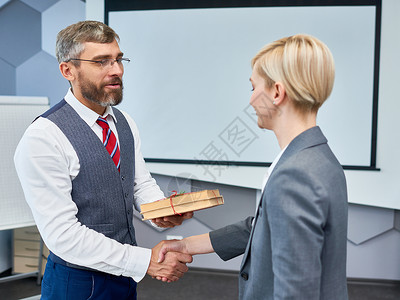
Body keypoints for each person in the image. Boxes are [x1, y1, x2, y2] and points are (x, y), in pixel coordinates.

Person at [155, 34, 349, 299]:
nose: (251, 100)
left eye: (253, 88)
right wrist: (185, 244)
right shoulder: (317, 157)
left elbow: (296, 290)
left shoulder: (295, 174)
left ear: (277, 93)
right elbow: (261, 227)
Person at [14, 20, 193, 299]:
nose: (117, 70)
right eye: (101, 62)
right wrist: (144, 260)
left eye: (119, 60)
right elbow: (63, 236)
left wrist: (161, 212)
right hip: (77, 283)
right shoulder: (43, 137)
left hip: (123, 278)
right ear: (68, 70)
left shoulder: (124, 122)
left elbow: (138, 184)